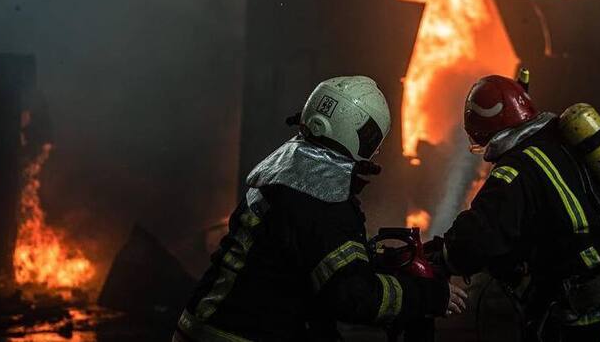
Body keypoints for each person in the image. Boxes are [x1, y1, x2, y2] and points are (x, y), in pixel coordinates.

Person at [175, 76, 467, 342]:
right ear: (364, 138)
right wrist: (429, 297)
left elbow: (305, 258)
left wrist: (372, 262)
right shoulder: (324, 199)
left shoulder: (284, 172)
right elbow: (353, 297)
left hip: (198, 326)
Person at [434, 75, 600, 342]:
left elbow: (477, 240)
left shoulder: (515, 170)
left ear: (484, 133)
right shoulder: (564, 140)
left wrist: (443, 255)